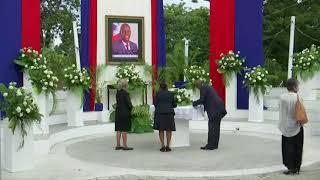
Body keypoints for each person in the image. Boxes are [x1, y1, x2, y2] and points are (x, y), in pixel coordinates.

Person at [192, 80, 227, 150]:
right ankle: (215, 145)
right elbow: (206, 99)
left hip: (214, 110)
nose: (197, 88)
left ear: (198, 85)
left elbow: (202, 99)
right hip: (220, 108)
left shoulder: (203, 88)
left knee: (211, 127)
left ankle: (210, 145)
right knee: (216, 127)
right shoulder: (208, 87)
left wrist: (193, 103)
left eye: (197, 86)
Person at [279, 78, 304, 175]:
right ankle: (296, 167)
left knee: (287, 147)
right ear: (294, 87)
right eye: (298, 85)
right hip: (296, 126)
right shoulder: (298, 97)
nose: (298, 87)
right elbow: (301, 111)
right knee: (297, 147)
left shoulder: (282, 97)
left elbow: (281, 110)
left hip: (285, 126)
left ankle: (289, 167)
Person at [153, 81, 177, 152]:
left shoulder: (158, 94)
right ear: (166, 87)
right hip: (169, 113)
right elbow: (174, 104)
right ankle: (168, 146)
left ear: (160, 87)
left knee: (161, 129)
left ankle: (163, 146)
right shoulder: (171, 94)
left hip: (160, 113)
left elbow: (155, 103)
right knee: (169, 129)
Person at [115, 79, 133, 150]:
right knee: (124, 129)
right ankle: (125, 145)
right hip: (125, 113)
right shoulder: (126, 93)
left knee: (119, 129)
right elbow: (129, 104)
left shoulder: (118, 93)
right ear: (125, 85)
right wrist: (131, 108)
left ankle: (118, 145)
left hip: (118, 112)